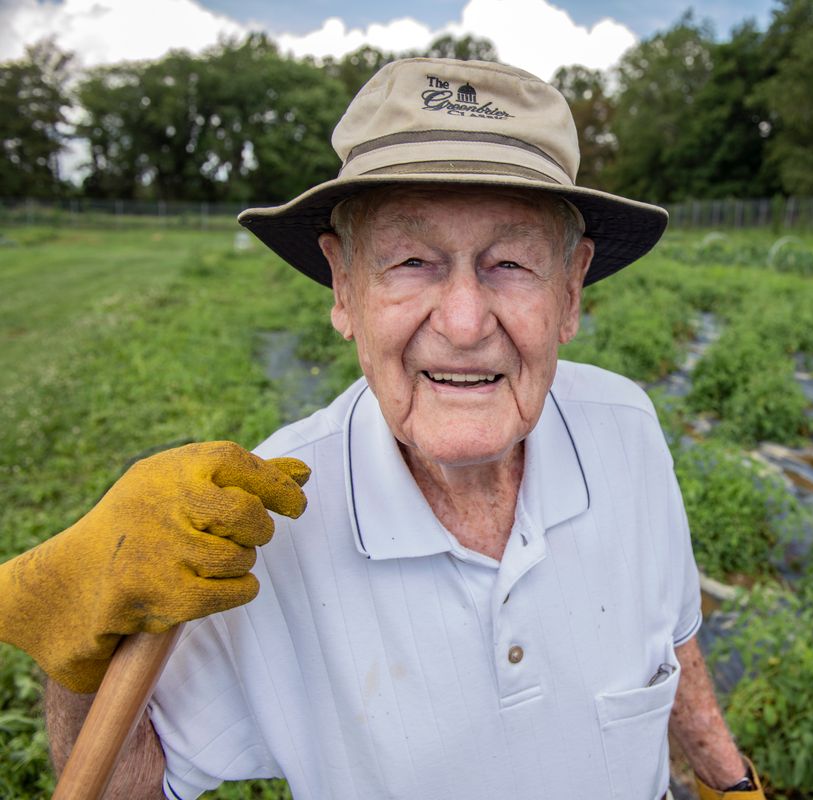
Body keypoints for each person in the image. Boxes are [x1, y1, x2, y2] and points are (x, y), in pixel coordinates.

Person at [29, 57, 764, 799]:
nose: (466, 322)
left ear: (570, 290)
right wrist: (82, 652)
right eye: (411, 261)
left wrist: (730, 783)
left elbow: (670, 641)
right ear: (343, 286)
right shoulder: (264, 528)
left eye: (510, 262)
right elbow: (133, 788)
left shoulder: (628, 430)